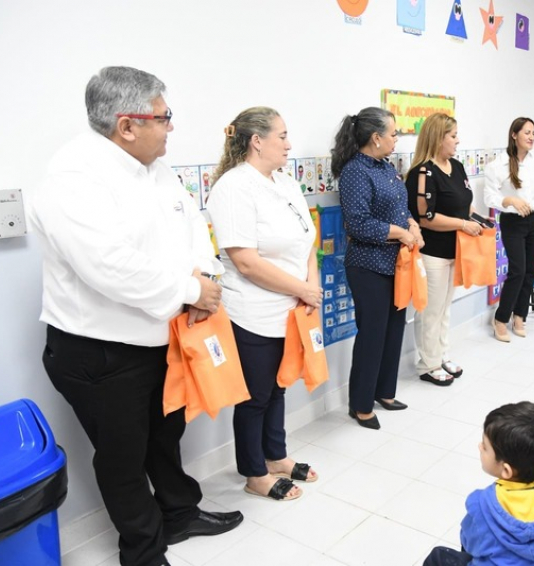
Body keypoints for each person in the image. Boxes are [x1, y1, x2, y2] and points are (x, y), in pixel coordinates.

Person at [29, 66, 243, 566]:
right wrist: (193, 290)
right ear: (127, 125)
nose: (171, 127)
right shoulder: (72, 178)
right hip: (100, 353)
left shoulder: (154, 167)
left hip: (159, 340)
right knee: (123, 458)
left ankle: (179, 513)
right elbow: (111, 267)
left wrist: (205, 273)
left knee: (165, 437)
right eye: (164, 117)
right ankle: (143, 552)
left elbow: (191, 221)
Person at [206, 107, 320, 502]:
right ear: (257, 141)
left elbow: (308, 239)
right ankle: (254, 472)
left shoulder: (286, 183)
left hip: (291, 308)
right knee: (254, 396)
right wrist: (303, 290)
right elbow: (245, 261)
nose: (289, 144)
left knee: (278, 388)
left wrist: (311, 286)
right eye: (282, 136)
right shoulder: (233, 188)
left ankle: (276, 456)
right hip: (252, 313)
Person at [332, 107, 423, 430]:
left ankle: (385, 391)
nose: (397, 138)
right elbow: (358, 224)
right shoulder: (356, 172)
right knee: (372, 334)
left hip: (396, 263)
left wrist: (412, 224)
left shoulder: (385, 167)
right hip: (369, 267)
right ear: (376, 137)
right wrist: (401, 233)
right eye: (394, 133)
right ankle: (360, 404)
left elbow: (401, 206)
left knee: (394, 328)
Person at [424, 402, 534, 566]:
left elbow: (469, 543)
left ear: (506, 471)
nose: (479, 446)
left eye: (485, 447)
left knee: (438, 557)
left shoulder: (482, 505)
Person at [405, 113, 479, 386]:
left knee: (445, 307)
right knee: (430, 310)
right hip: (432, 253)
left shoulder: (456, 167)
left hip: (455, 249)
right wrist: (462, 223)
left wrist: (477, 220)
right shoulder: (422, 173)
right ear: (438, 138)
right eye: (453, 135)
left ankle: (441, 354)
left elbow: (464, 202)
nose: (458, 140)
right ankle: (428, 364)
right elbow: (427, 218)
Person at [484, 117, 534, 342]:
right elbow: (490, 196)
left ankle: (519, 316)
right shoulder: (498, 165)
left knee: (529, 272)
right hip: (512, 222)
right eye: (527, 132)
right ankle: (500, 319)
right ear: (514, 135)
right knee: (517, 270)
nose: (532, 137)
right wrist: (511, 200)